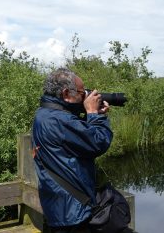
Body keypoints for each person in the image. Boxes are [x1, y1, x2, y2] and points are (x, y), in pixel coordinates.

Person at [32, 68, 113, 233]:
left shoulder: (44, 113)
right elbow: (98, 142)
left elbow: (73, 135)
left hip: (58, 204)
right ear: (66, 93)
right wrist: (94, 115)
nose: (85, 97)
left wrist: (91, 115)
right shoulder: (60, 120)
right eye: (82, 93)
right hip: (72, 211)